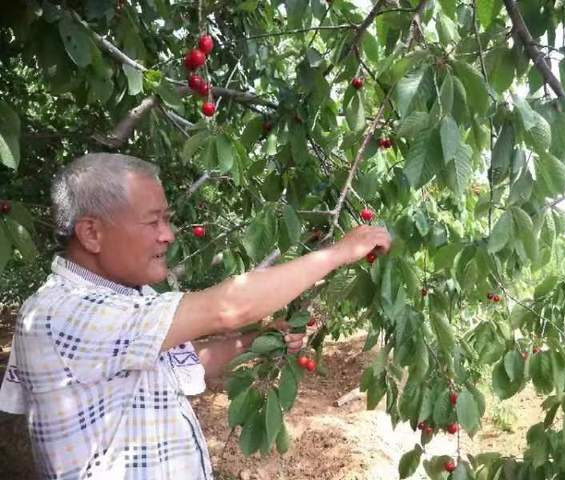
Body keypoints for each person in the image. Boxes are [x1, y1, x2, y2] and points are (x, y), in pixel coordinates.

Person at [0, 153, 392, 479]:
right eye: (153, 221)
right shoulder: (66, 311)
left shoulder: (125, 300)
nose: (168, 234)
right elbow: (228, 307)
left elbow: (171, 368)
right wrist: (338, 253)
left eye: (166, 219)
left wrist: (252, 342)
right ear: (91, 234)